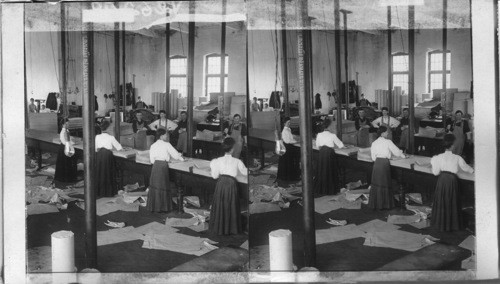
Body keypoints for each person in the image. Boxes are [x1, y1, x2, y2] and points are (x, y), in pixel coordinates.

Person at [430, 134, 474, 231]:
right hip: (452, 180)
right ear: (453, 145)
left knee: (442, 201)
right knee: (451, 201)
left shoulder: (438, 157)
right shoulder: (457, 157)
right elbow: (466, 168)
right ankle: (452, 225)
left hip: (441, 180)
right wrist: (473, 171)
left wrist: (433, 161)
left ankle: (440, 225)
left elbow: (435, 173)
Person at [209, 137, 248, 235]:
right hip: (231, 184)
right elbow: (245, 173)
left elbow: (214, 176)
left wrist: (213, 166)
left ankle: (219, 228)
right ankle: (231, 229)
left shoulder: (217, 161)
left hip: (221, 184)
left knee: (221, 205)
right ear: (232, 149)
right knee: (230, 205)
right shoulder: (237, 161)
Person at [369, 126, 407, 210]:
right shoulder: (388, 142)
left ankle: (376, 204)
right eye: (386, 132)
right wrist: (403, 155)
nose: (388, 133)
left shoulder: (374, 143)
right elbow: (397, 152)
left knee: (377, 184)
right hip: (384, 164)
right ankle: (385, 204)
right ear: (382, 133)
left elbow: (373, 158)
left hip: (377, 164)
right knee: (384, 183)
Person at [147, 128, 184, 212]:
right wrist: (182, 159)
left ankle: (154, 207)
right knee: (163, 186)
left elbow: (152, 160)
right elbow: (175, 155)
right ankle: (163, 208)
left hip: (155, 166)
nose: (167, 136)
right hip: (163, 166)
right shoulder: (167, 144)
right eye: (165, 135)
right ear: (161, 136)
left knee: (155, 186)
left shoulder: (153, 145)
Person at [314, 119, 345, 195]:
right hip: (329, 154)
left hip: (321, 154)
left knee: (322, 170)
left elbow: (318, 146)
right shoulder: (333, 135)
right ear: (330, 126)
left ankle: (322, 189)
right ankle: (330, 189)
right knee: (330, 171)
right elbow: (341, 145)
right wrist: (334, 146)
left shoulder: (319, 135)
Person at [95, 120, 123, 197]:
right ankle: (108, 192)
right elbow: (119, 148)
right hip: (108, 156)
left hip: (99, 156)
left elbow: (95, 149)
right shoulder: (111, 137)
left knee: (100, 173)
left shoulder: (97, 136)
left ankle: (99, 192)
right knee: (108, 173)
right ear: (108, 128)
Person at [54, 118, 78, 183]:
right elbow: (65, 142)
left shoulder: (66, 130)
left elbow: (67, 139)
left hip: (66, 146)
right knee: (65, 163)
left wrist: (71, 140)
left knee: (66, 163)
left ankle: (67, 178)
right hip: (65, 148)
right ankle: (65, 179)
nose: (68, 125)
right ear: (63, 124)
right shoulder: (63, 131)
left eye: (68, 123)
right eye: (66, 124)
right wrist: (72, 143)